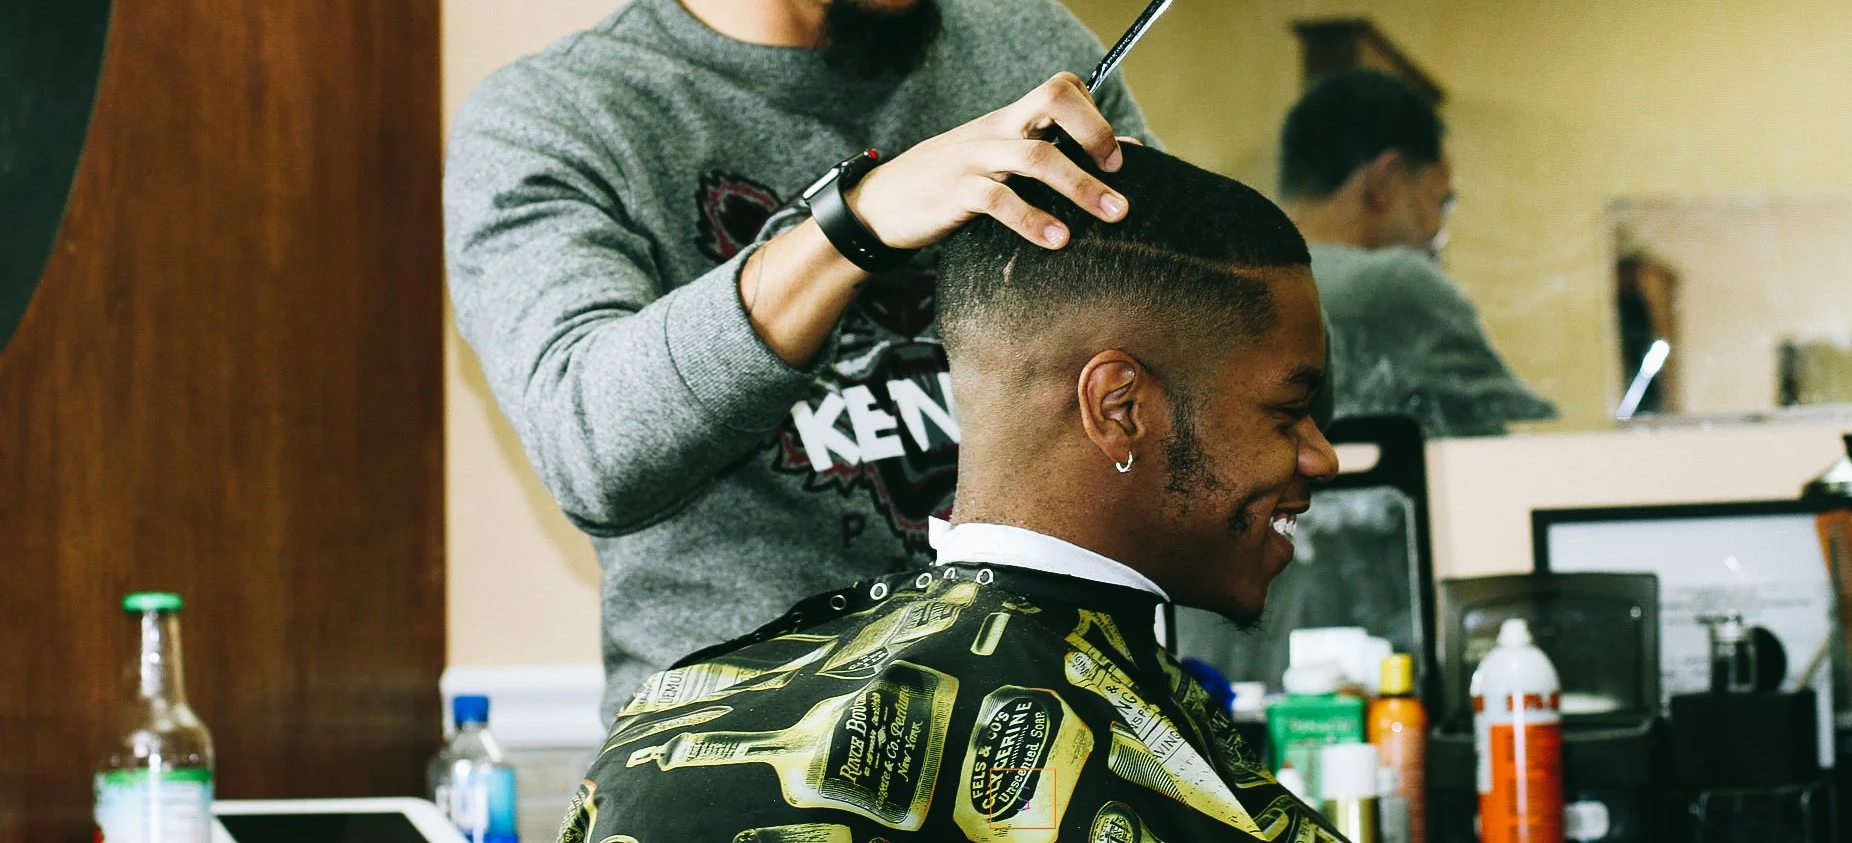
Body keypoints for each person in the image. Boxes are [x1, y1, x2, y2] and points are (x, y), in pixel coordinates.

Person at [443, 0, 1152, 718]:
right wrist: (857, 223)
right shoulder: (561, 119)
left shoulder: (1032, 54)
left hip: (1044, 756)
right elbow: (591, 446)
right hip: (743, 787)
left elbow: (1178, 388)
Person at [555, 145, 1345, 843]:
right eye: (1289, 409)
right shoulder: (1186, 797)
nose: (1322, 455)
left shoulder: (672, 721)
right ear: (1119, 407)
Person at [1277, 69, 1554, 437]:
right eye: (1438, 202)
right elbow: (1500, 454)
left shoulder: (1221, 278)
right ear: (1386, 180)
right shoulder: (1392, 283)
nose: (1436, 232)